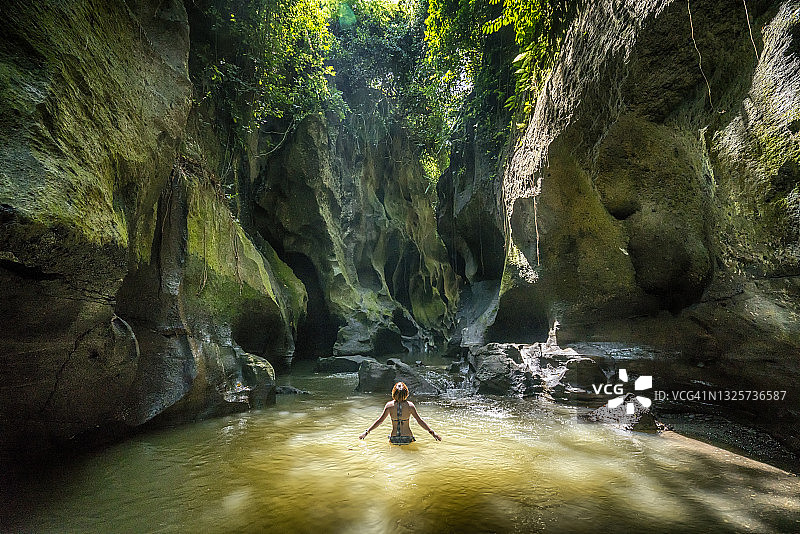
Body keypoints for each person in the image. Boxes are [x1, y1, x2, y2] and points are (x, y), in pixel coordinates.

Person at [359, 382, 442, 444]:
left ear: (393, 392)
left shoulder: (389, 406)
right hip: (408, 437)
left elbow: (380, 421)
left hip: (394, 438)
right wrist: (432, 433)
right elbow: (419, 421)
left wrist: (366, 432)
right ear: (406, 393)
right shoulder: (410, 406)